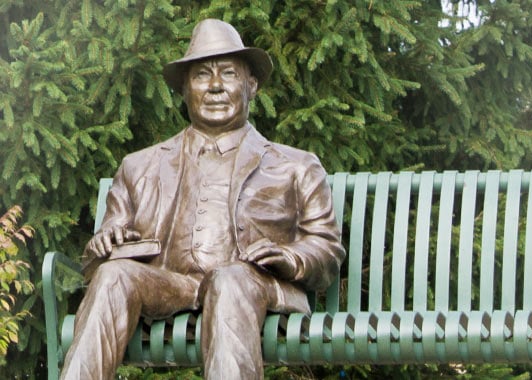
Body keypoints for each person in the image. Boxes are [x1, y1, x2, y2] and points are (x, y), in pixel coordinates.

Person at [61, 18, 345, 380]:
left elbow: (327, 250)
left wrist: (289, 258)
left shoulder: (295, 165)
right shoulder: (140, 167)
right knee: (115, 275)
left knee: (229, 280)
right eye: (200, 76)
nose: (214, 87)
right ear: (184, 90)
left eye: (228, 74)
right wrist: (105, 242)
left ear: (251, 85)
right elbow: (100, 256)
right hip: (172, 283)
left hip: (251, 284)